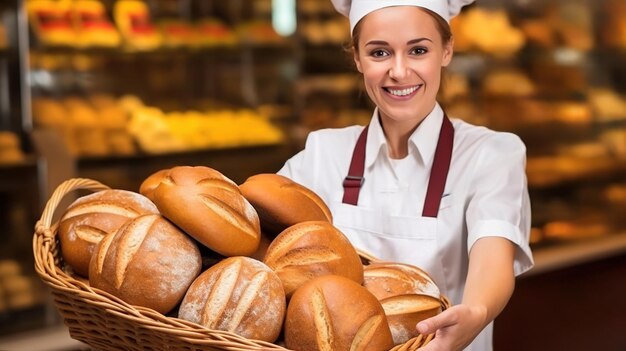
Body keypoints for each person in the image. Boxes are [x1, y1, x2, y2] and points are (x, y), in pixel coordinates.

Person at [277, 0, 534, 350]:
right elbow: (266, 249)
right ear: (356, 58)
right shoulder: (322, 155)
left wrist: (476, 310)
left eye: (418, 50)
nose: (399, 72)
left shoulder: (491, 154)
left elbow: (493, 254)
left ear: (447, 50)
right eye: (379, 52)